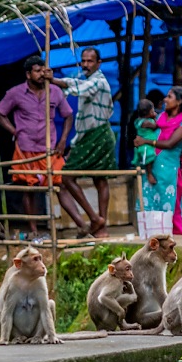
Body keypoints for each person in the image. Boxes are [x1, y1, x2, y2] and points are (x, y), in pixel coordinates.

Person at [0, 55, 80, 241]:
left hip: (50, 148)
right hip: (26, 148)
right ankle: (33, 230)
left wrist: (63, 139)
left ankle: (82, 225)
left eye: (44, 70)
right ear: (28, 74)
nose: (42, 74)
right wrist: (14, 131)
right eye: (38, 71)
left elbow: (68, 116)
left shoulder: (55, 91)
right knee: (29, 189)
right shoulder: (15, 93)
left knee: (61, 184)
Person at [46, 47, 116, 237]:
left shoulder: (99, 82)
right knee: (98, 179)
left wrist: (53, 80)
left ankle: (96, 220)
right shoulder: (90, 80)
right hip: (90, 135)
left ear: (98, 63)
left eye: (90, 61)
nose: (85, 64)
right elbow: (76, 83)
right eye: (83, 61)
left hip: (98, 134)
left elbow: (78, 88)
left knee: (69, 177)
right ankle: (100, 226)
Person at [133, 86, 182, 235]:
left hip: (169, 173)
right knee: (149, 210)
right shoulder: (161, 117)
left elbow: (170, 144)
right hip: (152, 170)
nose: (165, 99)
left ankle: (176, 250)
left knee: (170, 213)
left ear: (179, 101)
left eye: (169, 97)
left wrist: (145, 141)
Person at [131, 99, 159, 185]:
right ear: (149, 112)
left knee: (142, 159)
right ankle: (149, 174)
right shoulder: (146, 122)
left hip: (143, 144)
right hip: (146, 145)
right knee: (148, 159)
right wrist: (155, 117)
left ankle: (139, 170)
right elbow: (156, 126)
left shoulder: (139, 121)